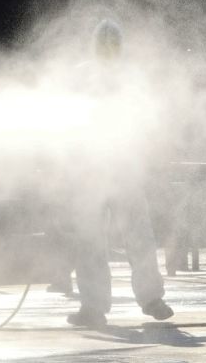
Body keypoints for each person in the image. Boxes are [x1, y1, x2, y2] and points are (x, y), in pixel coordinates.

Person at [64, 19, 173, 328]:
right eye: (104, 44)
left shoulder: (131, 79)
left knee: (138, 234)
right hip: (90, 170)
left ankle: (151, 298)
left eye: (113, 44)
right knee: (90, 240)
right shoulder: (82, 77)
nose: (109, 50)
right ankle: (93, 307)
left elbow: (148, 120)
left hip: (125, 166)